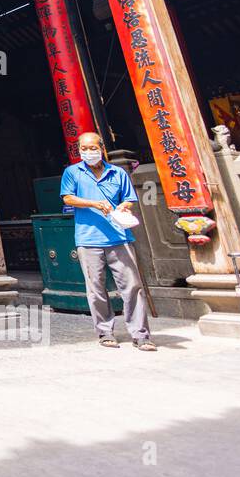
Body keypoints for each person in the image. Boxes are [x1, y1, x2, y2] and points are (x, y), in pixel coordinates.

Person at [60, 131, 155, 351]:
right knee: (96, 288)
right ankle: (104, 332)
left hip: (119, 237)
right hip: (88, 238)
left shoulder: (117, 172)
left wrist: (124, 206)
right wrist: (93, 203)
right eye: (83, 148)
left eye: (92, 148)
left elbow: (129, 198)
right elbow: (68, 198)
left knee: (132, 287)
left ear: (101, 148)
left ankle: (140, 334)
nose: (88, 152)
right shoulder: (72, 172)